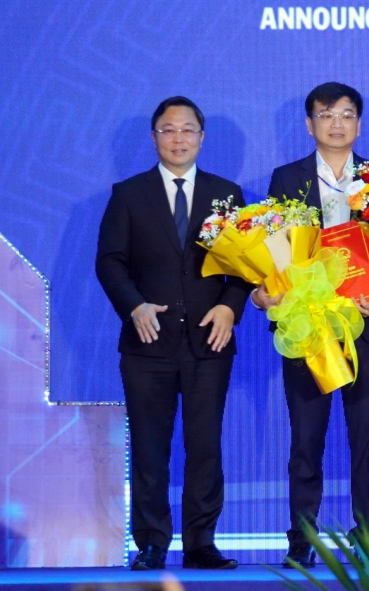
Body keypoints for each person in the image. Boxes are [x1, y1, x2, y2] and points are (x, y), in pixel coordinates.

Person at [96, 96, 251, 571]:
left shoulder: (227, 194)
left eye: (187, 130)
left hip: (209, 341)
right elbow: (109, 262)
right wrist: (134, 306)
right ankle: (151, 543)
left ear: (202, 138)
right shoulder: (129, 194)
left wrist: (229, 307)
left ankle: (201, 543)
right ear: (154, 138)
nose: (178, 138)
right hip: (147, 343)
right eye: (168, 129)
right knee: (149, 446)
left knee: (205, 446)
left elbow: (247, 264)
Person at [250, 82, 369, 568]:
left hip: (364, 326)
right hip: (308, 326)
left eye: (347, 115)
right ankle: (302, 537)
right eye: (326, 115)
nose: (337, 124)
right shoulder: (286, 178)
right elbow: (274, 249)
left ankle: (367, 534)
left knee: (367, 438)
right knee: (306, 439)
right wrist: (265, 293)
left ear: (359, 124)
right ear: (309, 124)